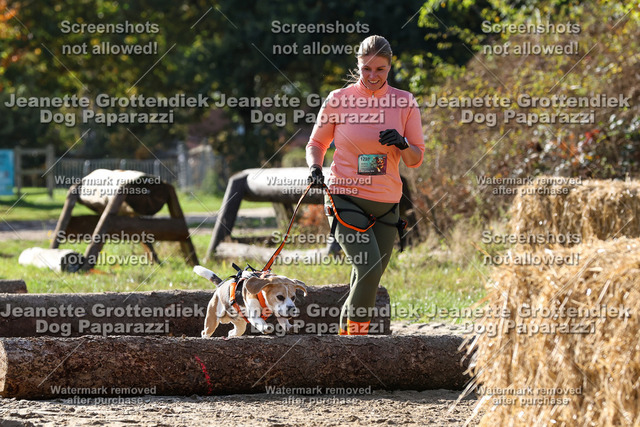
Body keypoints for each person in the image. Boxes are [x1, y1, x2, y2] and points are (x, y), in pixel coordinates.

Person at [305, 35, 424, 335]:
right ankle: (354, 344)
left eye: (380, 69)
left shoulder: (405, 102)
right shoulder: (339, 99)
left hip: (387, 204)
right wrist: (315, 168)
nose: (372, 76)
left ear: (390, 67)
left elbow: (415, 159)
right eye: (366, 68)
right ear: (357, 65)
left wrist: (402, 142)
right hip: (344, 197)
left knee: (369, 274)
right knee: (368, 266)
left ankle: (344, 338)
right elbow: (316, 143)